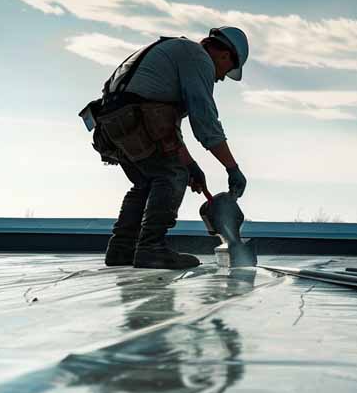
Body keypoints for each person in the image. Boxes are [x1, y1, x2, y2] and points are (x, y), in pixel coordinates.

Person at [88, 27, 249, 270]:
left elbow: (164, 130)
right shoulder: (199, 58)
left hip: (113, 123)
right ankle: (151, 248)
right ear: (226, 55)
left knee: (146, 180)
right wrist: (232, 168)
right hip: (134, 118)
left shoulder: (177, 53)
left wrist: (191, 165)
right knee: (172, 174)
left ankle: (122, 248)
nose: (222, 78)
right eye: (228, 70)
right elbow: (205, 123)